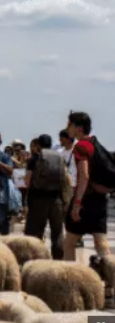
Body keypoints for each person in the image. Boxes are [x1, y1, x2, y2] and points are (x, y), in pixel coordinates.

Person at [63, 111, 111, 261]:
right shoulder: (94, 143)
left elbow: (84, 175)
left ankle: (68, 279)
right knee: (101, 243)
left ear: (79, 128)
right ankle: (111, 278)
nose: (67, 128)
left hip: (86, 201)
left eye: (69, 124)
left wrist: (77, 204)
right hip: (100, 200)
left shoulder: (81, 147)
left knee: (69, 243)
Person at [23, 134, 71, 259]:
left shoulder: (35, 158)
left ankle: (38, 261)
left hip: (38, 199)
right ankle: (58, 261)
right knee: (57, 233)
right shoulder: (59, 157)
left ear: (38, 144)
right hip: (56, 200)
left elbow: (27, 181)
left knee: (35, 233)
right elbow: (66, 179)